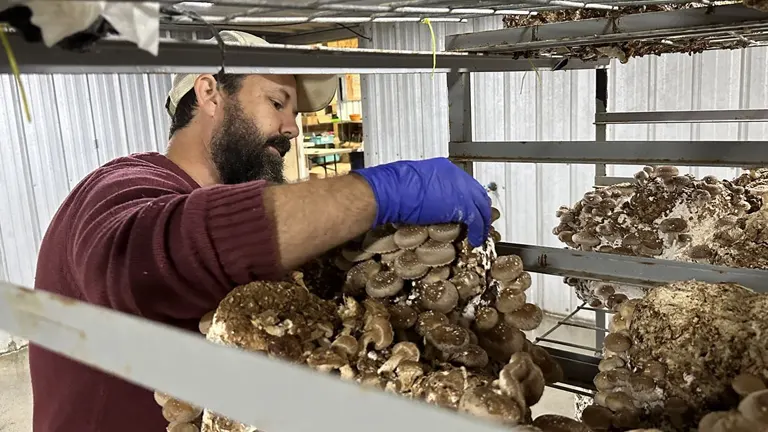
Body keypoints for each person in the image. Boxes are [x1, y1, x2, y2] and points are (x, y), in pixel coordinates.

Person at [28, 30, 491, 432]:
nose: (292, 128)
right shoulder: (122, 185)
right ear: (210, 94)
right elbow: (136, 266)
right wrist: (374, 193)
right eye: (276, 102)